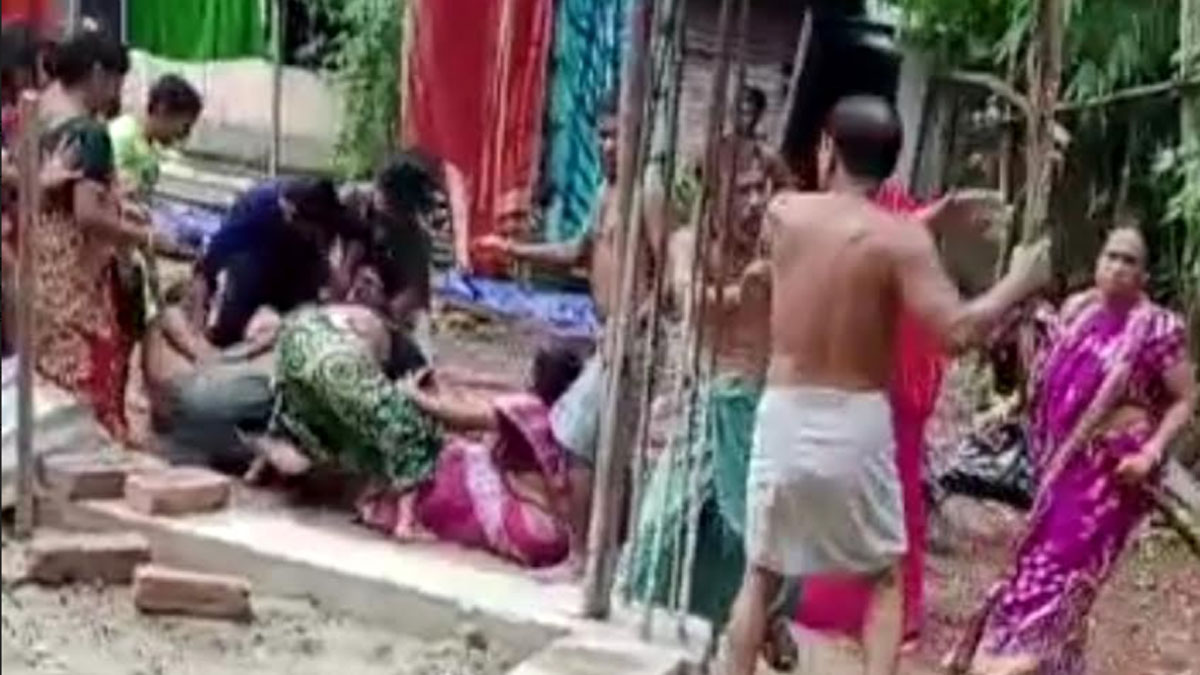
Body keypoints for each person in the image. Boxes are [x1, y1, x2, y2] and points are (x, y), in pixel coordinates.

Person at [722, 95, 1050, 675]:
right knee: (886, 578)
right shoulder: (901, 243)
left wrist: (924, 220)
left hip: (785, 412)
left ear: (827, 149)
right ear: (891, 164)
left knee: (760, 574)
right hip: (856, 422)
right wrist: (1018, 281)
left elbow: (841, 243)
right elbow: (956, 331)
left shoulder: (784, 214)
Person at [948, 225, 1196, 675]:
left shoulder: (1159, 330)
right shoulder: (1079, 310)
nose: (1117, 268)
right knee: (1033, 560)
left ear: (1144, 275)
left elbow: (1186, 397)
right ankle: (1046, 660)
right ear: (1098, 261)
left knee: (1061, 565)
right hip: (1060, 466)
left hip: (1109, 479)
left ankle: (1015, 658)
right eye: (1111, 256)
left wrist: (1151, 453)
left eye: (1129, 261)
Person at [473, 101, 668, 576]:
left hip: (631, 342)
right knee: (607, 449)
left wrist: (636, 326)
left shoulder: (647, 192)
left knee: (578, 436)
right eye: (602, 136)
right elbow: (577, 251)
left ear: (639, 138)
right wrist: (513, 250)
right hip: (608, 335)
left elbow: (669, 275)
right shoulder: (606, 191)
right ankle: (608, 558)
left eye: (616, 136)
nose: (607, 146)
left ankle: (582, 556)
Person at [627, 161, 774, 636]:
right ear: (714, 199)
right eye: (743, 192)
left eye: (761, 190)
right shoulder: (688, 244)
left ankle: (748, 624)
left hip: (756, 411)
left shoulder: (776, 247)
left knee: (751, 540)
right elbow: (689, 298)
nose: (755, 203)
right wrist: (742, 291)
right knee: (661, 528)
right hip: (706, 406)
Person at [31, 30, 184, 439]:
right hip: (80, 278)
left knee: (50, 381)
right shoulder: (90, 134)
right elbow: (88, 215)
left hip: (42, 269)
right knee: (93, 372)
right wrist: (144, 237)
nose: (117, 93)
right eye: (117, 81)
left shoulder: (41, 117)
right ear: (98, 74)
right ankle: (96, 452)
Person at [358, 344, 584, 567]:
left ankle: (403, 519)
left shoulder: (529, 408)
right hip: (556, 534)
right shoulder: (568, 416)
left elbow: (458, 418)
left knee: (448, 456)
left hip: (527, 528)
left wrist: (414, 395)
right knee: (471, 451)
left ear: (537, 374)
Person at [247, 303, 443, 491]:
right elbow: (411, 411)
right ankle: (398, 502)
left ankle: (273, 453)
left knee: (306, 412)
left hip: (297, 341)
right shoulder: (398, 353)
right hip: (336, 353)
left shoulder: (355, 316)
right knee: (411, 435)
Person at [186, 176, 357, 348]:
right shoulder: (255, 219)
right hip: (253, 258)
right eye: (314, 231)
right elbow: (207, 264)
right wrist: (197, 319)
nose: (319, 236)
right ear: (293, 216)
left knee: (305, 309)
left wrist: (344, 271)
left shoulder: (320, 212)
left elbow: (355, 233)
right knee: (241, 294)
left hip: (292, 254)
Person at [109, 73, 203, 198]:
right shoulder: (122, 136)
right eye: (184, 127)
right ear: (163, 111)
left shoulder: (148, 143)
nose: (183, 135)